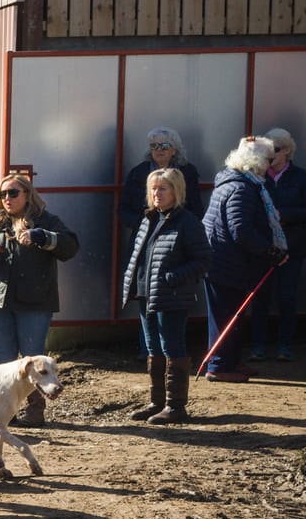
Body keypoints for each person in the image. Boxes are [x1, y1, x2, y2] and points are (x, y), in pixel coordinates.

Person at [0, 172, 79, 424]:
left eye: (13, 192)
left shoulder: (45, 220)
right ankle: (7, 412)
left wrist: (42, 237)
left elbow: (70, 246)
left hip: (35, 301)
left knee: (34, 355)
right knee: (5, 359)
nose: (7, 198)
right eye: (2, 194)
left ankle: (35, 411)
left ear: (28, 194)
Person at [121, 167, 209, 423]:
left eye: (163, 188)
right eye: (153, 188)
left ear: (176, 191)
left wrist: (172, 278)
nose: (157, 193)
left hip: (171, 296)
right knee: (153, 347)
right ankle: (157, 402)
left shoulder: (187, 222)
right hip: (146, 294)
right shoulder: (149, 218)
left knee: (172, 346)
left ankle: (176, 406)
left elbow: (202, 259)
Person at [202, 136, 286, 383]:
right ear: (258, 161)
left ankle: (231, 360)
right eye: (269, 160)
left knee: (234, 315)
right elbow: (241, 230)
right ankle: (218, 366)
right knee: (226, 316)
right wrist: (270, 251)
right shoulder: (241, 187)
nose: (270, 165)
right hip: (226, 263)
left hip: (228, 262)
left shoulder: (238, 181)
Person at [250, 127, 306, 361]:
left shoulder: (301, 177)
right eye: (268, 149)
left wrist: (285, 214)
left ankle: (285, 346)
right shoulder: (258, 176)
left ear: (287, 151)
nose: (272, 154)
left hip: (292, 246)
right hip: (264, 247)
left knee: (287, 297)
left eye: (277, 149)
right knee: (260, 296)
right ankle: (258, 345)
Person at [120, 127, 206, 267]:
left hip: (176, 241)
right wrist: (144, 224)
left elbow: (196, 210)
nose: (159, 150)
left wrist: (177, 226)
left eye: (164, 146)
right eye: (154, 146)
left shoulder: (187, 172)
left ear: (174, 150)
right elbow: (123, 210)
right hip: (143, 240)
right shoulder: (138, 172)